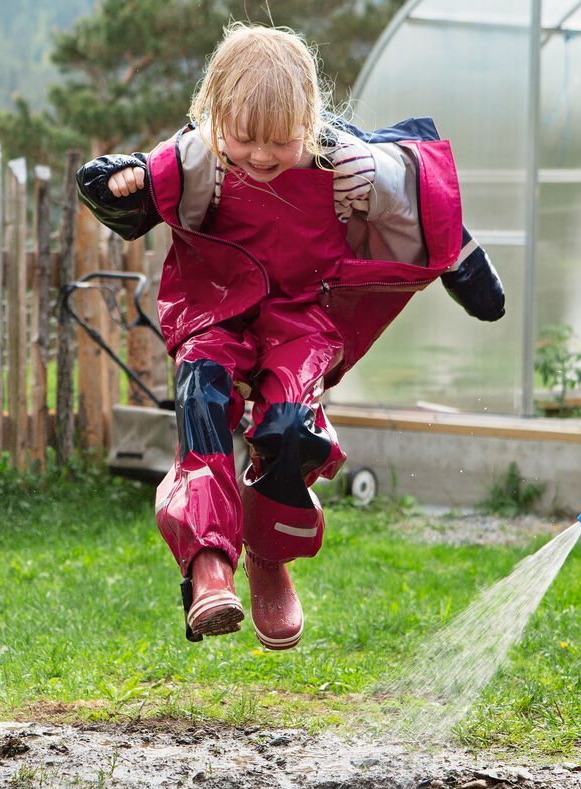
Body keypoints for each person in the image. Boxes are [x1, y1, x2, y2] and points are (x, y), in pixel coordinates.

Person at [77, 23, 504, 649]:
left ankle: (267, 553)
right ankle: (208, 566)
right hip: (215, 310)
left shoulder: (350, 167)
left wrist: (468, 274)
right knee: (202, 396)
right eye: (243, 139)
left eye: (282, 141)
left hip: (301, 318)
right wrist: (118, 181)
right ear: (215, 117)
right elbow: (129, 184)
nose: (260, 156)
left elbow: (427, 204)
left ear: (312, 120)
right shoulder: (200, 158)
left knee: (288, 429)